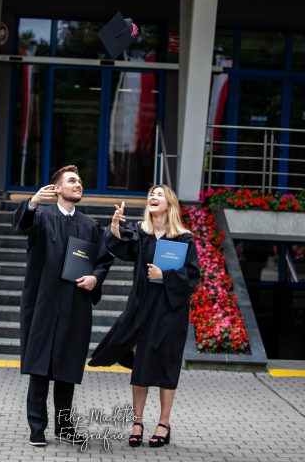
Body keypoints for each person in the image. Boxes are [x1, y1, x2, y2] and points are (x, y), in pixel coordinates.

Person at [89, 185, 200, 448]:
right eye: (151, 193)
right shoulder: (141, 232)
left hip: (171, 311)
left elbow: (193, 276)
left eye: (160, 194)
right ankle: (137, 422)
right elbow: (122, 246)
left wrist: (165, 276)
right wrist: (115, 225)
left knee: (167, 364)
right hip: (143, 307)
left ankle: (163, 423)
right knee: (141, 364)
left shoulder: (184, 238)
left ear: (170, 203)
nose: (153, 196)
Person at [13, 165, 113, 447]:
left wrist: (95, 278)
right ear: (56, 188)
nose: (78, 184)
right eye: (71, 180)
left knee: (67, 369)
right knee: (39, 367)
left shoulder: (90, 225)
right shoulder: (41, 216)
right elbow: (22, 224)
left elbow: (103, 260)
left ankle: (65, 427)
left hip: (75, 304)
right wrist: (32, 202)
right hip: (43, 303)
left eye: (80, 181)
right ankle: (37, 427)